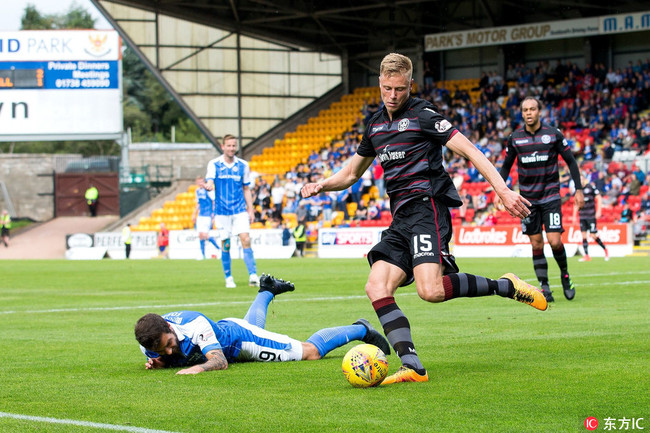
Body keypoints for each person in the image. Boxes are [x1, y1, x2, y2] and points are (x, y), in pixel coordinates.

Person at [301, 53, 546, 386]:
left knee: (429, 291)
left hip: (428, 207)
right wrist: (321, 185)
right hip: (401, 216)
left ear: (410, 85)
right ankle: (413, 366)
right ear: (380, 84)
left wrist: (502, 190)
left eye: (399, 89)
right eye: (387, 88)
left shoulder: (424, 115)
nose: (392, 95)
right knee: (376, 285)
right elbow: (350, 173)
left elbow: (471, 150)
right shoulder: (374, 125)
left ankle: (507, 286)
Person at [134, 274, 390, 375]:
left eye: (169, 344)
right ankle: (266, 290)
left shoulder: (194, 324)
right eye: (161, 350)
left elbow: (219, 361)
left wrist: (196, 370)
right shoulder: (149, 342)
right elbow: (165, 354)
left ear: (169, 326)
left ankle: (361, 328)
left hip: (239, 341)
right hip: (225, 332)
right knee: (256, 327)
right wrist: (162, 361)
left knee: (310, 352)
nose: (168, 350)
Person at [498, 96, 584, 303]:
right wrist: (499, 191)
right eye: (525, 110)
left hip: (551, 196)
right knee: (536, 244)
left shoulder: (553, 134)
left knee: (555, 242)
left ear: (539, 111)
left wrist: (578, 189)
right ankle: (544, 287)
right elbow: (506, 166)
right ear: (522, 113)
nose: (528, 113)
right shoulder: (515, 138)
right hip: (527, 200)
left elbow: (571, 162)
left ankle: (565, 275)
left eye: (532, 109)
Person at [205, 134, 259, 288]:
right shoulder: (214, 164)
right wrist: (209, 184)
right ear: (223, 147)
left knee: (246, 239)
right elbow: (210, 179)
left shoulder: (243, 165)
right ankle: (228, 277)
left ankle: (253, 275)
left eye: (234, 145)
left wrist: (251, 210)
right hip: (222, 211)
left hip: (239, 209)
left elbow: (246, 188)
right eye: (228, 145)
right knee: (226, 244)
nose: (231, 148)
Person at [573, 174, 609, 262]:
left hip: (591, 215)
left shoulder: (590, 188)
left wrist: (599, 211)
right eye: (579, 179)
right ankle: (586, 255)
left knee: (593, 235)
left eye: (581, 179)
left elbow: (599, 198)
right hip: (582, 215)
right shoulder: (578, 191)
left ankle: (605, 250)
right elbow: (576, 204)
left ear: (584, 179)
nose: (580, 181)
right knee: (583, 236)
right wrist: (574, 216)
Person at [192, 176, 220, 260]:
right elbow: (198, 204)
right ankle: (203, 255)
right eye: (199, 182)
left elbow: (214, 201)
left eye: (201, 181)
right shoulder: (197, 191)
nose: (200, 183)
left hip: (208, 214)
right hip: (200, 215)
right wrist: (194, 214)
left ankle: (219, 249)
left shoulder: (208, 190)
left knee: (205, 234)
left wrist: (214, 213)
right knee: (200, 235)